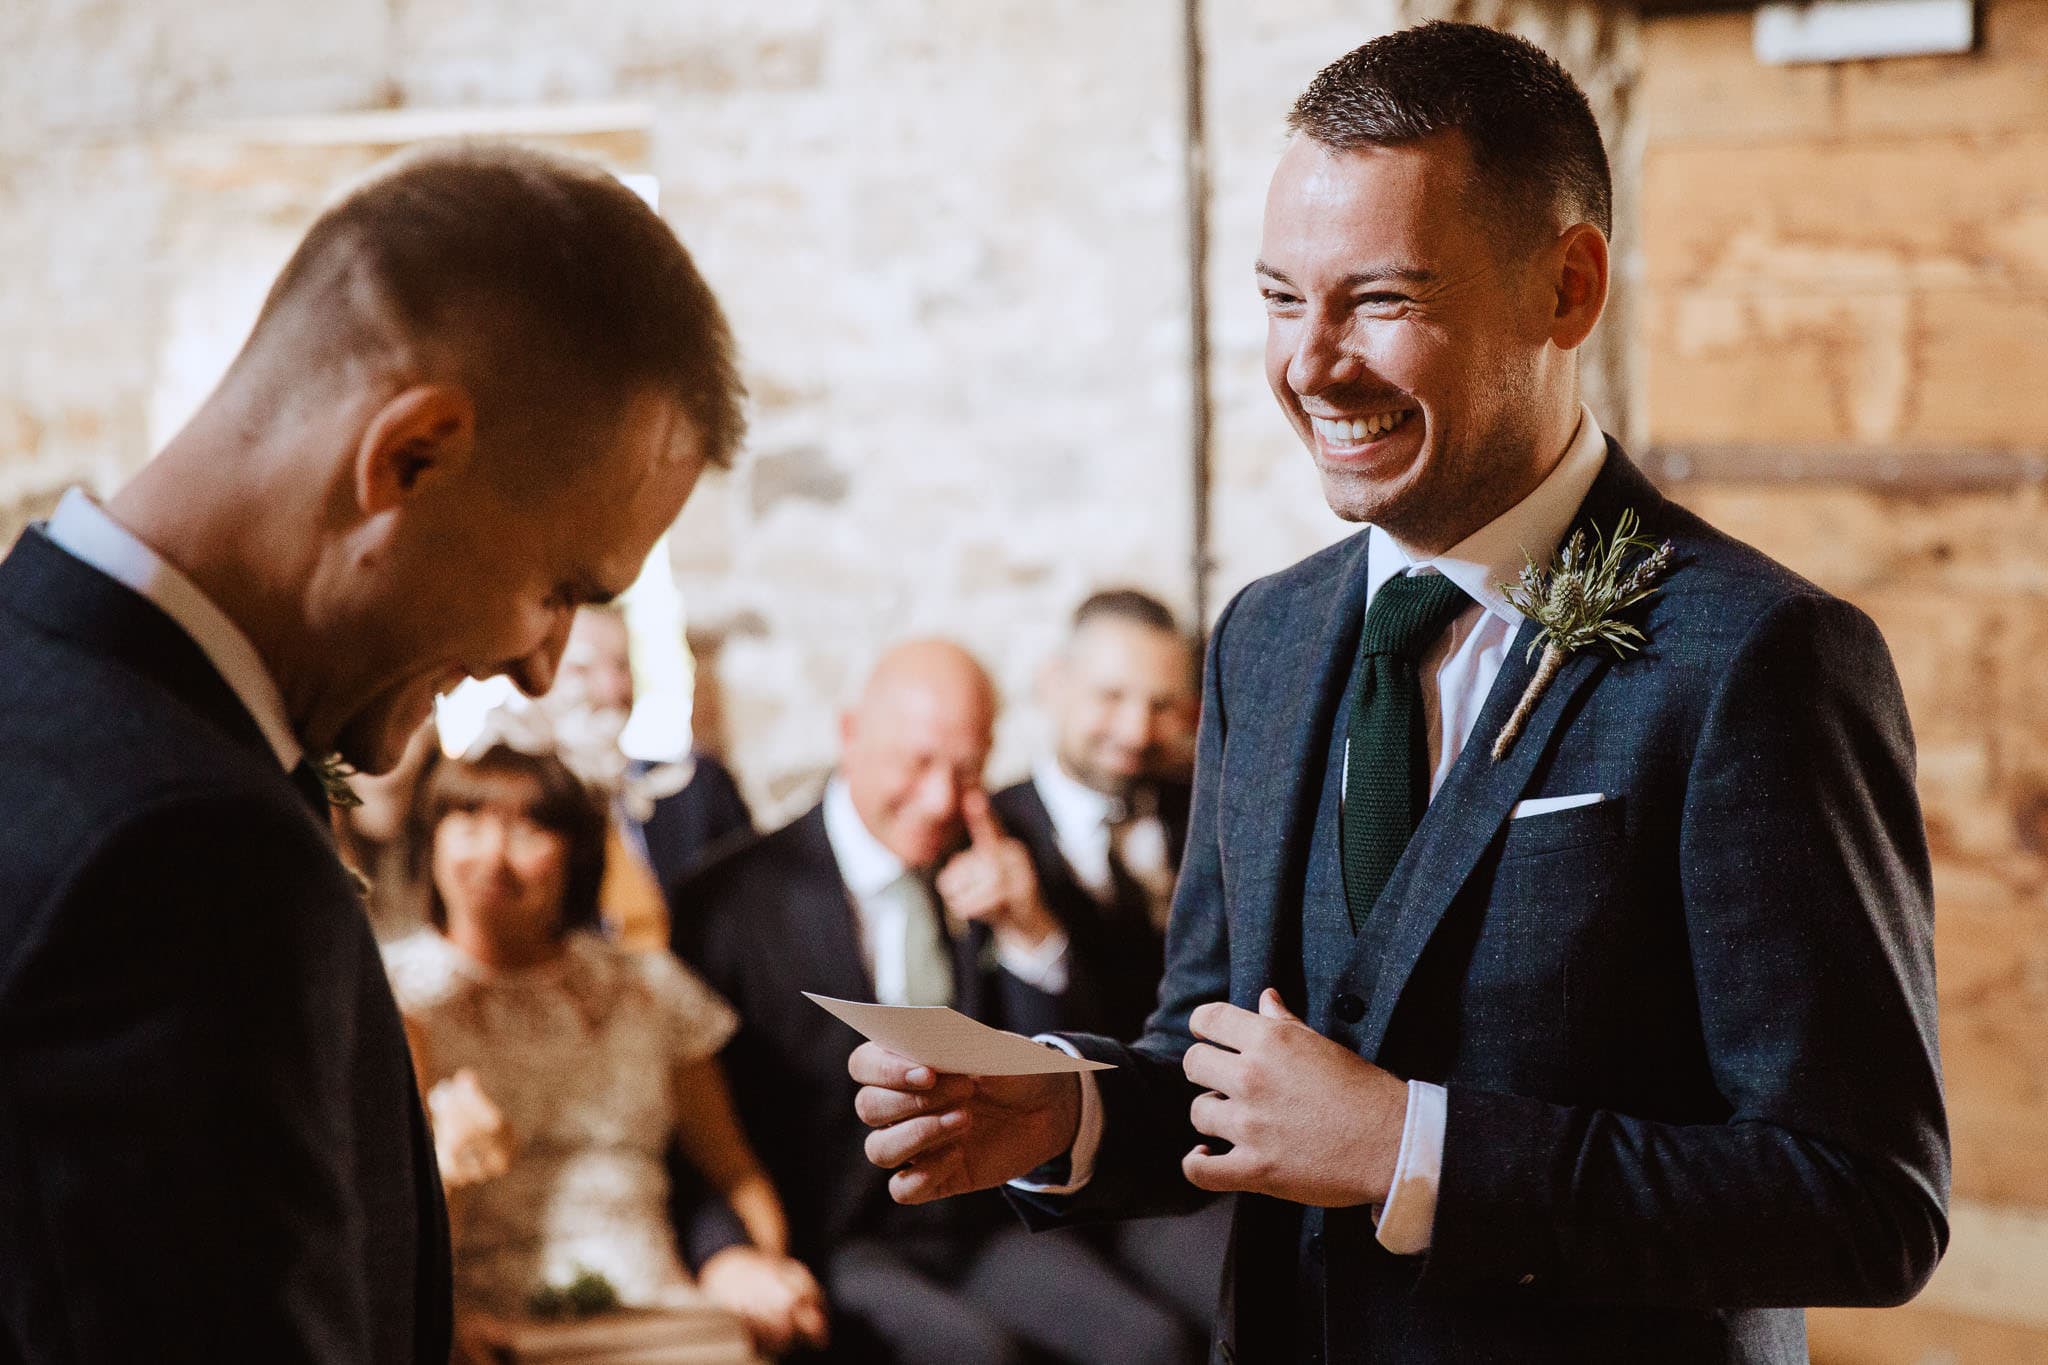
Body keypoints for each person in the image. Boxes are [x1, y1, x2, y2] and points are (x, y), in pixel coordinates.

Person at [850, 23, 1947, 1364]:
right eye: (1276, 298)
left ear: (1568, 288)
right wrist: (1070, 1113)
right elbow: (1213, 1049)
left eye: (1380, 300)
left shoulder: (1761, 656)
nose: (1311, 364)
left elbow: (1864, 1203)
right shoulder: (1264, 636)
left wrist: (1407, 1148)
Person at [0, 141, 742, 1362]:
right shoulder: (180, 848)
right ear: (410, 456)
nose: (543, 666)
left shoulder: (60, 697)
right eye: (558, 588)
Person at [674, 640, 1196, 1365]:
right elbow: (684, 1116)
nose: (943, 800)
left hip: (983, 1217)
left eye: (968, 769)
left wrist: (1030, 936)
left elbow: (1071, 1067)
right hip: (835, 1231)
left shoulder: (1004, 858)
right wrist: (725, 1250)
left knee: (1153, 1344)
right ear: (850, 732)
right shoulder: (731, 899)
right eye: (917, 763)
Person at [384, 742, 825, 1360]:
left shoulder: (648, 988)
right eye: (469, 819)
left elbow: (734, 1169)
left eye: (529, 828)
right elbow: (378, 1231)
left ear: (578, 855)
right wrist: (441, 1322)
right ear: (431, 839)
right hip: (490, 1331)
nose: (493, 855)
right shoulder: (395, 1000)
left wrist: (757, 1263)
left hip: (662, 1315)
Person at [988, 589, 1231, 1340]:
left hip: (1213, 1144)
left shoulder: (1210, 807)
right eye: (1111, 696)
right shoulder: (989, 836)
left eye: (1163, 705)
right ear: (1053, 683)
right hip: (1058, 1173)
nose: (1135, 731)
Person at [548, 605, 753, 949]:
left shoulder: (698, 788)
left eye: (621, 665)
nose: (611, 688)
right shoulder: (524, 812)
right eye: (581, 669)